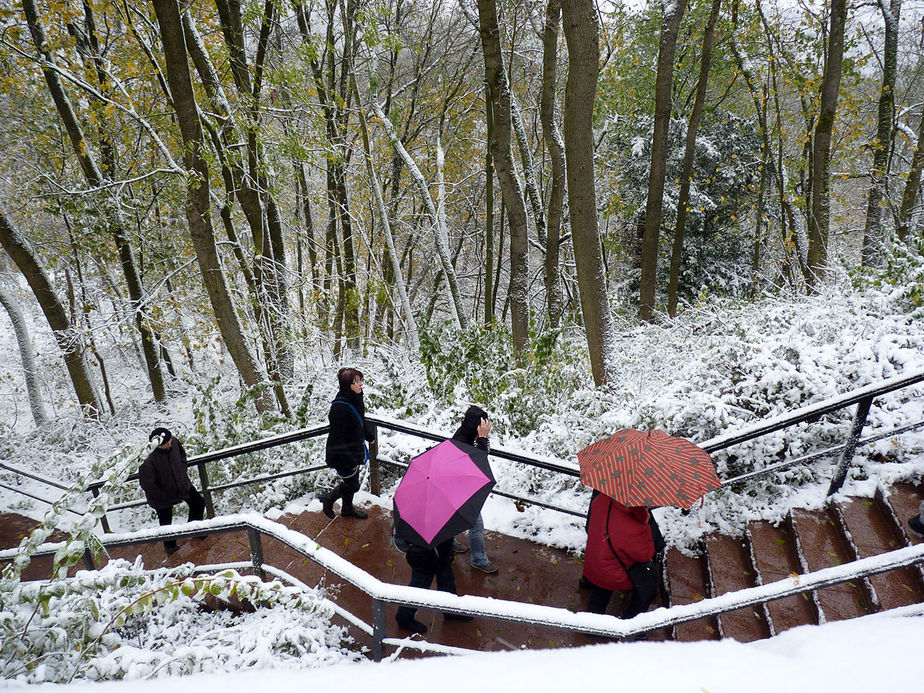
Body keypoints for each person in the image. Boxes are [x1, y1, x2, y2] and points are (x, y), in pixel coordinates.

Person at [581, 490, 658, 620]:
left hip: (593, 564)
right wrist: (645, 524)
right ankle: (632, 625)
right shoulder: (634, 527)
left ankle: (590, 624)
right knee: (648, 587)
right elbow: (645, 554)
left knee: (600, 594)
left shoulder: (600, 500)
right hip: (613, 575)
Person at [138, 427, 206, 555]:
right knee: (166, 521)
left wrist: (182, 469)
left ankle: (194, 531)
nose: (170, 444)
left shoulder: (173, 441)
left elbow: (182, 454)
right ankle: (170, 546)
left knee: (198, 503)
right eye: (166, 443)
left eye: (170, 441)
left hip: (182, 484)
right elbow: (147, 484)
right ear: (157, 445)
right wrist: (163, 495)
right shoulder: (148, 459)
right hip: (161, 496)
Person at [320, 367, 375, 520]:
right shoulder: (339, 408)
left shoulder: (355, 398)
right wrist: (350, 461)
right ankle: (328, 499)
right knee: (353, 485)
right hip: (343, 455)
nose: (361, 385)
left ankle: (347, 509)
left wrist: (368, 436)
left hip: (354, 450)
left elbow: (359, 420)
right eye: (356, 382)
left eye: (361, 381)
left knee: (352, 481)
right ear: (347, 386)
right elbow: (337, 439)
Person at [451, 405, 499, 574]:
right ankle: (479, 560)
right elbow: (480, 462)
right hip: (460, 489)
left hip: (456, 487)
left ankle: (450, 543)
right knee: (476, 525)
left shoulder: (464, 434)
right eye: (483, 423)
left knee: (451, 516)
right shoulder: (463, 441)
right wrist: (483, 438)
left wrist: (482, 439)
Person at [394, 536, 473, 634]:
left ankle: (451, 610)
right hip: (422, 558)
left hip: (443, 552)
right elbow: (400, 541)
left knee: (447, 583)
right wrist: (415, 549)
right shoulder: (409, 522)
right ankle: (404, 617)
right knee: (419, 588)